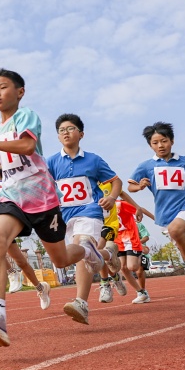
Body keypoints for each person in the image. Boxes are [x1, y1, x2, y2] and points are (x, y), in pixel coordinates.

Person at [0, 69, 104, 346]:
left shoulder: (25, 115)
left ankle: (88, 249)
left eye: (3, 87)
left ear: (19, 92)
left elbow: (28, 146)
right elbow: (11, 165)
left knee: (61, 260)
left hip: (41, 196)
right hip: (11, 194)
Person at [128, 122, 185, 301]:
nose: (160, 146)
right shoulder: (146, 166)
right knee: (180, 243)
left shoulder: (184, 161)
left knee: (176, 230)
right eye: (155, 143)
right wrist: (139, 186)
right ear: (150, 145)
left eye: (164, 141)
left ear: (172, 141)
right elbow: (130, 186)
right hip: (165, 213)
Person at [46, 113, 121, 323]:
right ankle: (108, 254)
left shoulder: (94, 160)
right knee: (64, 258)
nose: (66, 133)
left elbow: (116, 182)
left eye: (70, 129)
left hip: (90, 211)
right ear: (58, 137)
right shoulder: (51, 162)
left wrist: (112, 198)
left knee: (81, 245)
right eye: (61, 130)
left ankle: (81, 303)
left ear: (81, 134)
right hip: (64, 215)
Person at [0, 151, 51, 309]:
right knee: (21, 261)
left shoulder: (11, 180)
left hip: (10, 221)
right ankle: (41, 288)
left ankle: (12, 273)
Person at [133, 219, 152, 303]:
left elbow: (146, 237)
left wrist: (137, 243)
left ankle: (142, 292)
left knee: (139, 271)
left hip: (140, 250)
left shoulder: (138, 224)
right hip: (126, 251)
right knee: (124, 268)